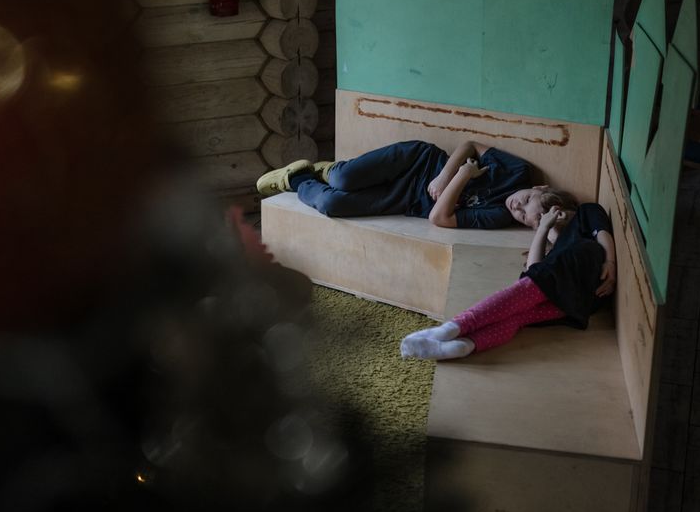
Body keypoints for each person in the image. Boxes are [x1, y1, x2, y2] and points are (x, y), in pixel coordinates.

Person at [399, 197, 615, 360]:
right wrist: (543, 229)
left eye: (530, 204)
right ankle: (467, 344)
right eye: (528, 219)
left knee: (531, 285)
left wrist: (610, 262)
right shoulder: (558, 253)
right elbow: (534, 270)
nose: (521, 210)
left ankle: (451, 328)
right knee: (519, 317)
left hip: (592, 267)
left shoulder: (584, 213)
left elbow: (601, 230)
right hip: (579, 302)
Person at [256, 139, 550, 230]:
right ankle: (327, 170)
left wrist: (464, 177)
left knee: (333, 204)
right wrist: (447, 174)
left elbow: (439, 217)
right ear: (537, 189)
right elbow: (470, 145)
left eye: (524, 218)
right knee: (344, 179)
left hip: (409, 200)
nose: (518, 208)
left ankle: (297, 178)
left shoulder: (499, 216)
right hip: (417, 162)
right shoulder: (517, 171)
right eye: (526, 201)